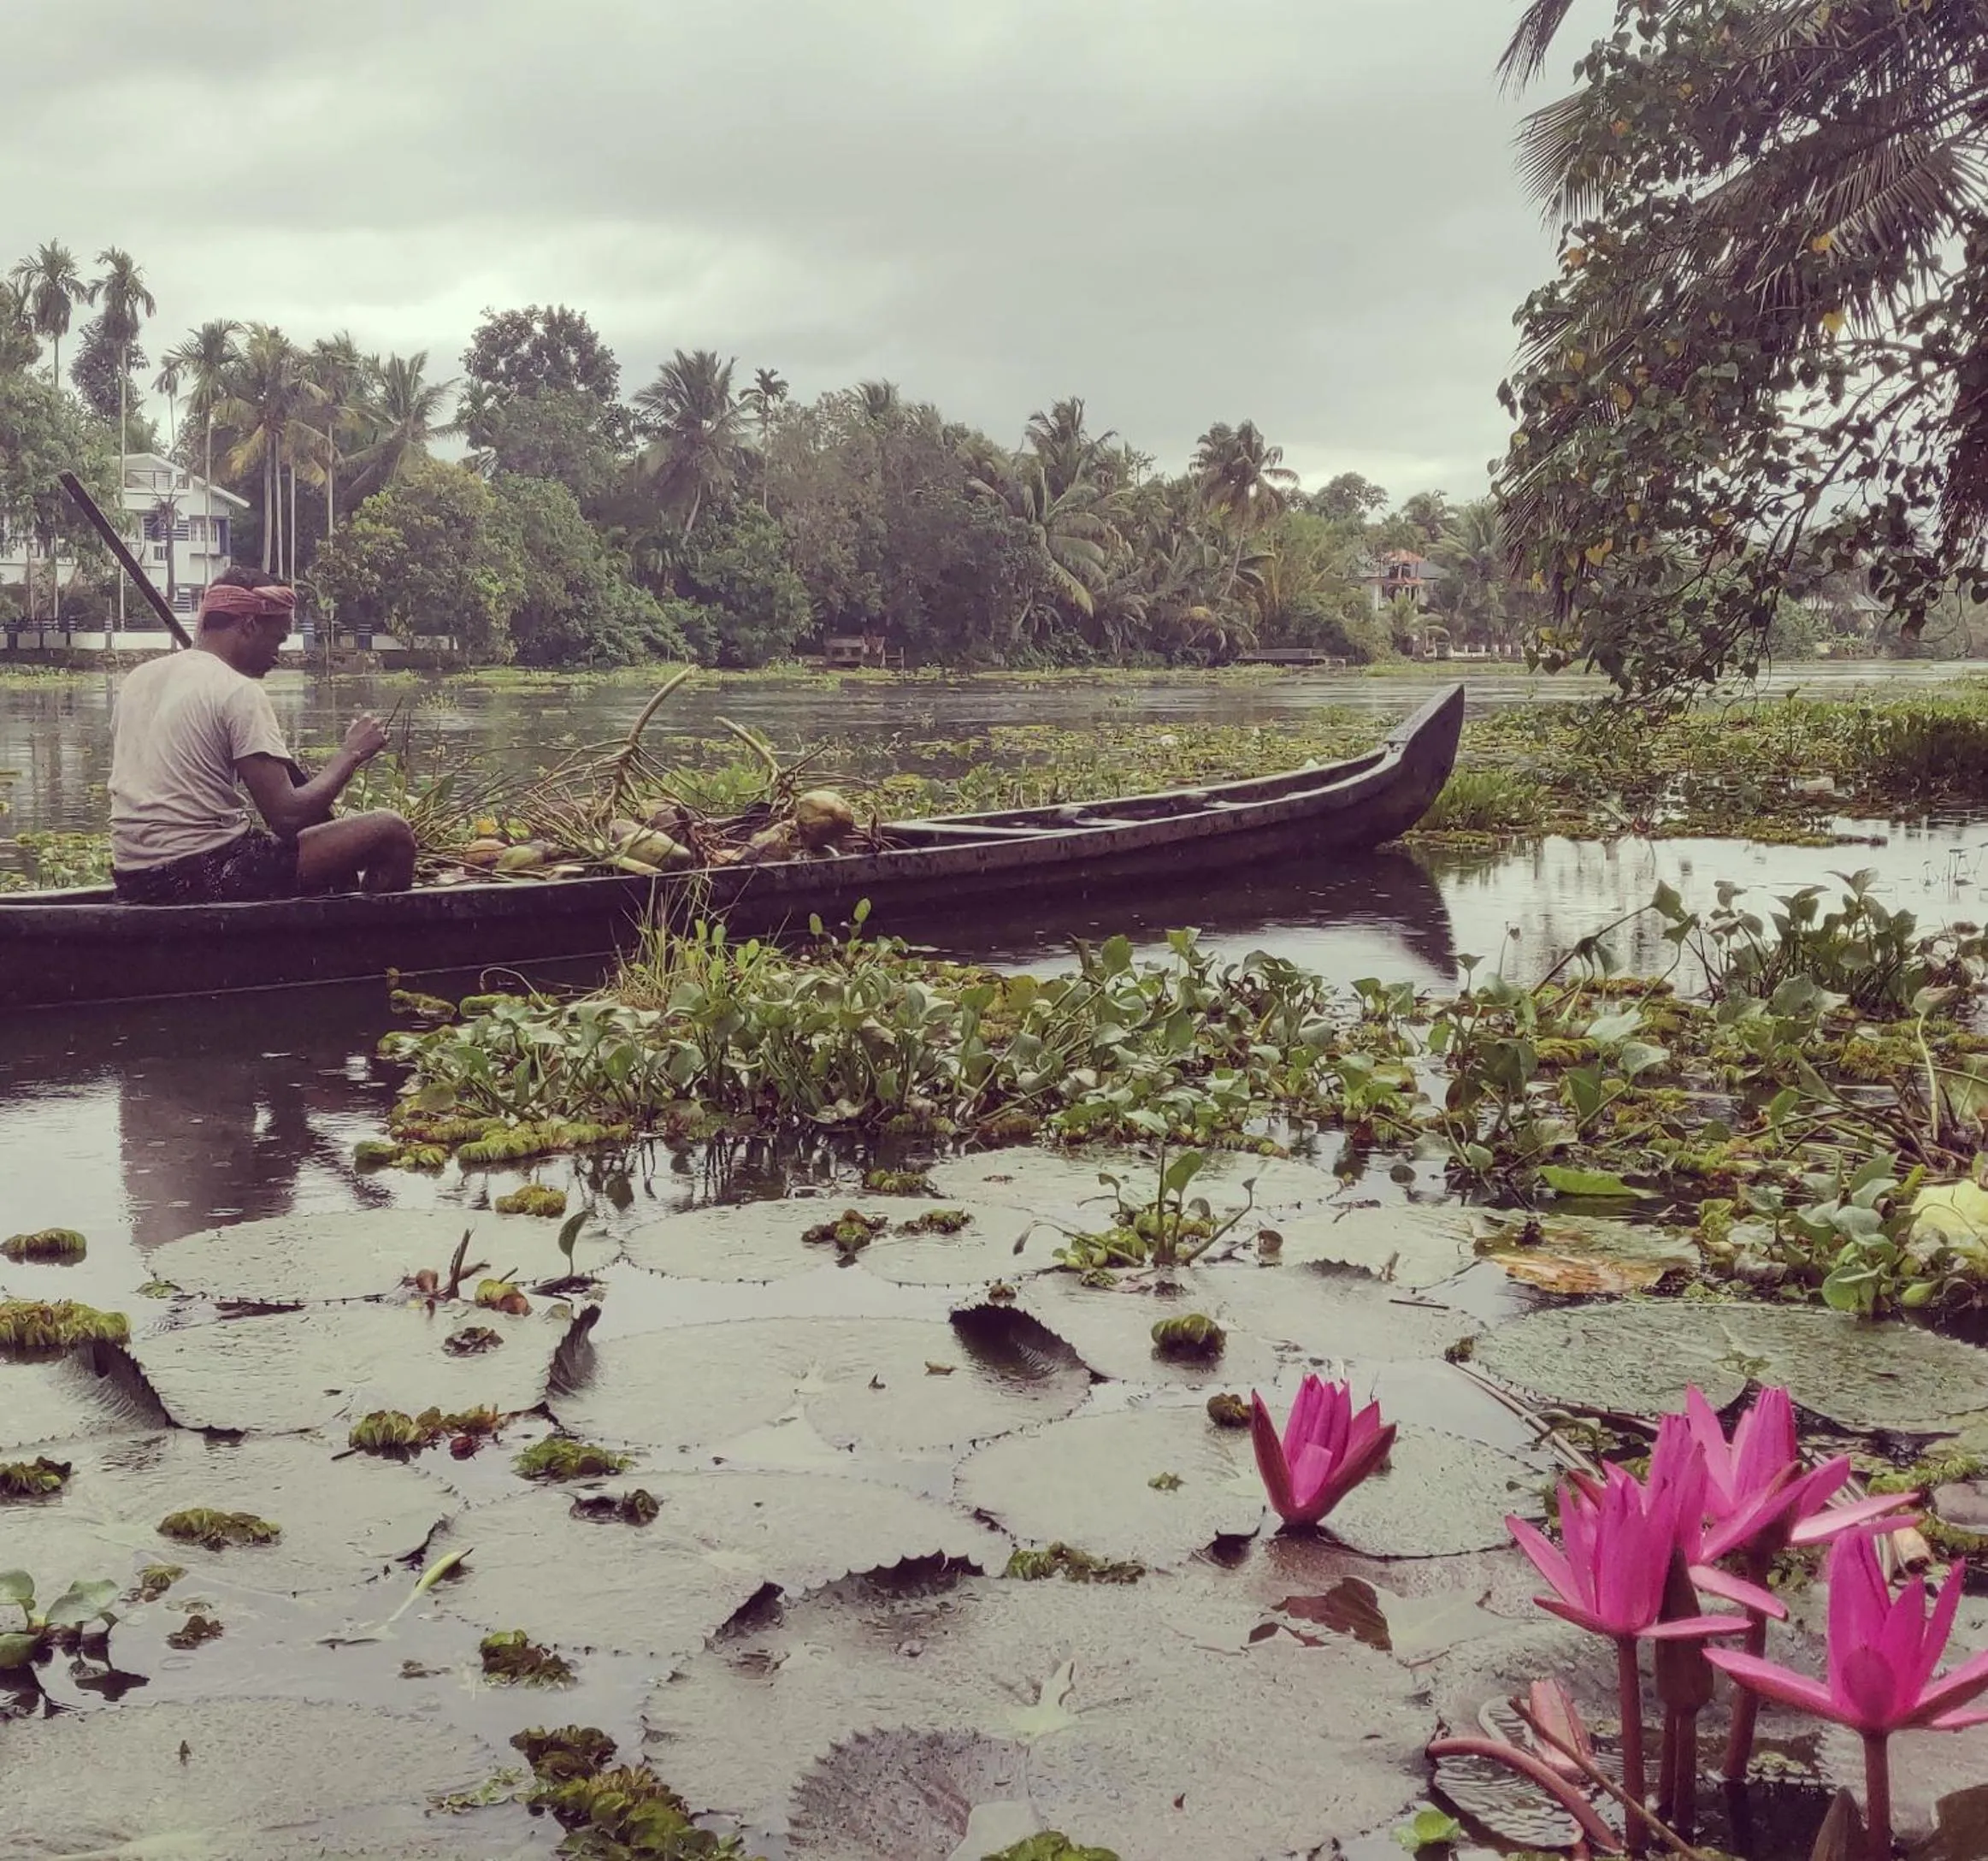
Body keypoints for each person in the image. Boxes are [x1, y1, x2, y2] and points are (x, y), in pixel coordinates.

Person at [109, 567, 418, 905]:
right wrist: (351, 754)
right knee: (392, 832)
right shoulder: (238, 691)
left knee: (323, 860)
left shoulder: (137, 679)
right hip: (205, 874)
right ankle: (372, 943)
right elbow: (287, 818)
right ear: (250, 625)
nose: (279, 653)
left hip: (133, 877)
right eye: (278, 638)